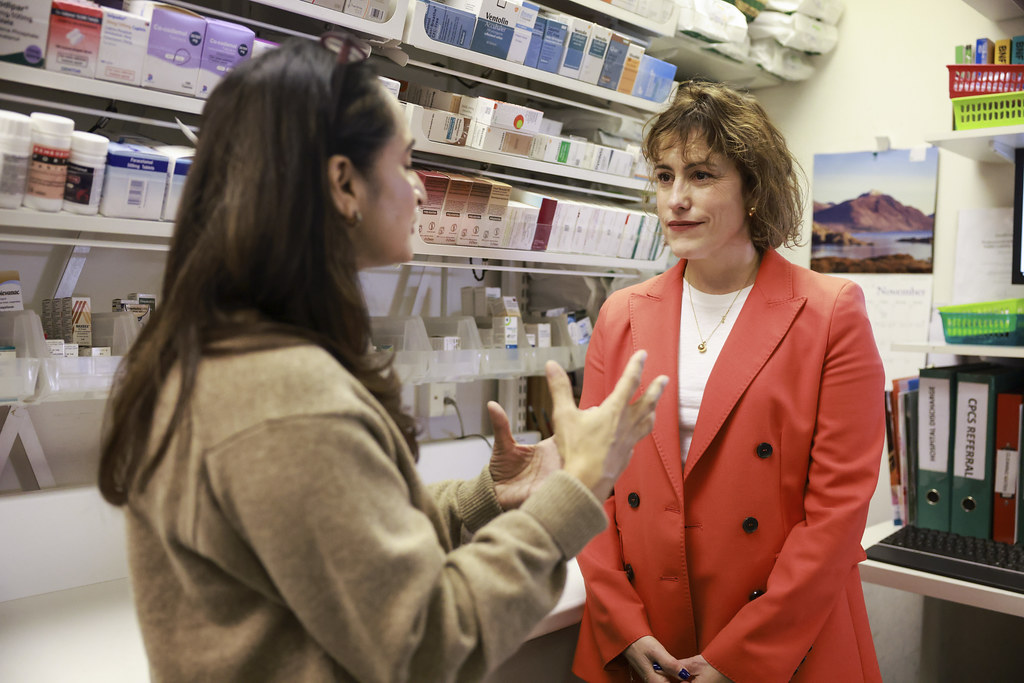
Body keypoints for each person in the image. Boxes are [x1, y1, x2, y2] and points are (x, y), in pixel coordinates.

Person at [97, 35, 669, 682]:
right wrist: (574, 491)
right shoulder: (288, 400)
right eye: (407, 162)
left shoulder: (228, 350)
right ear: (344, 182)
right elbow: (426, 641)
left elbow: (347, 549)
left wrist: (487, 497)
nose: (420, 190)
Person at [571, 80, 885, 683]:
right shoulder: (621, 314)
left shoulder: (830, 312)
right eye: (664, 176)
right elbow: (591, 485)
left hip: (782, 638)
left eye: (702, 175)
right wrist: (624, 625)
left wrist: (739, 657)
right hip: (647, 631)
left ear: (754, 190)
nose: (676, 199)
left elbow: (837, 513)